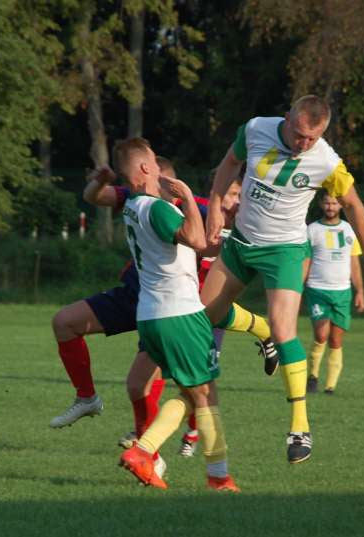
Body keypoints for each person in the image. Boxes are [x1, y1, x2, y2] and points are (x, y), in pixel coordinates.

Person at [203, 95, 364, 463]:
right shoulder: (256, 128)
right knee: (200, 317)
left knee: (286, 330)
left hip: (285, 251)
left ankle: (300, 428)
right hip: (241, 242)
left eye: (311, 138)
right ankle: (260, 330)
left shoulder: (328, 162)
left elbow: (354, 205)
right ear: (286, 117)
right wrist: (215, 209)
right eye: (299, 134)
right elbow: (230, 163)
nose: (303, 144)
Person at [51, 157, 271, 463]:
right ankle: (89, 400)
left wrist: (240, 221)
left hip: (169, 304)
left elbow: (209, 239)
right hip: (135, 296)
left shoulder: (195, 205)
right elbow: (93, 197)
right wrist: (100, 179)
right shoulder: (138, 197)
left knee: (152, 383)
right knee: (65, 322)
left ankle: (154, 448)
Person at [115, 137, 239, 492]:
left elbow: (193, 244)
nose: (159, 164)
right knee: (201, 393)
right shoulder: (158, 208)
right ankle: (154, 454)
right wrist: (185, 195)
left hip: (151, 314)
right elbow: (197, 242)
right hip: (179, 312)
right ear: (144, 168)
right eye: (154, 159)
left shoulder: (133, 207)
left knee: (196, 390)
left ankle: (215, 475)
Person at [304, 192, 364, 395]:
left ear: (340, 205)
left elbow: (354, 263)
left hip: (342, 291)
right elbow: (306, 261)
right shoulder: (312, 230)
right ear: (321, 204)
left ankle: (330, 387)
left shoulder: (349, 229)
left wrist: (360, 291)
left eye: (334, 203)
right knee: (321, 335)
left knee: (336, 341)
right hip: (317, 289)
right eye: (327, 203)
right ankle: (312, 376)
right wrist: (298, 286)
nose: (331, 207)